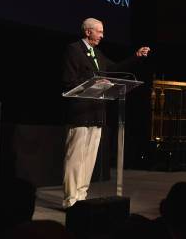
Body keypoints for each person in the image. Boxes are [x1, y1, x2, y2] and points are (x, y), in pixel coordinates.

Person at [61, 17, 150, 208]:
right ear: (88, 32)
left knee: (89, 159)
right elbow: (69, 81)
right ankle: (70, 200)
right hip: (80, 113)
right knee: (75, 159)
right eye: (99, 31)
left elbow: (114, 69)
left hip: (97, 112)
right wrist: (95, 83)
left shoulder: (97, 53)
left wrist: (136, 56)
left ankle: (81, 197)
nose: (102, 35)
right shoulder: (73, 50)